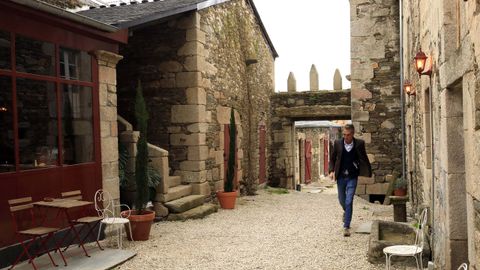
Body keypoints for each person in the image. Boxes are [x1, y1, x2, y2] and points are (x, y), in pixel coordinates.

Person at [329, 124, 371, 237]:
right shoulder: (337, 143)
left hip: (352, 176)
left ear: (352, 134)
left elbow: (363, 158)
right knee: (342, 200)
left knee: (349, 200)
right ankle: (346, 212)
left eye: (348, 135)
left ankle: (346, 226)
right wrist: (331, 171)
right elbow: (332, 159)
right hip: (341, 177)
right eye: (344, 135)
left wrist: (365, 170)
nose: (346, 137)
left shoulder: (359, 144)